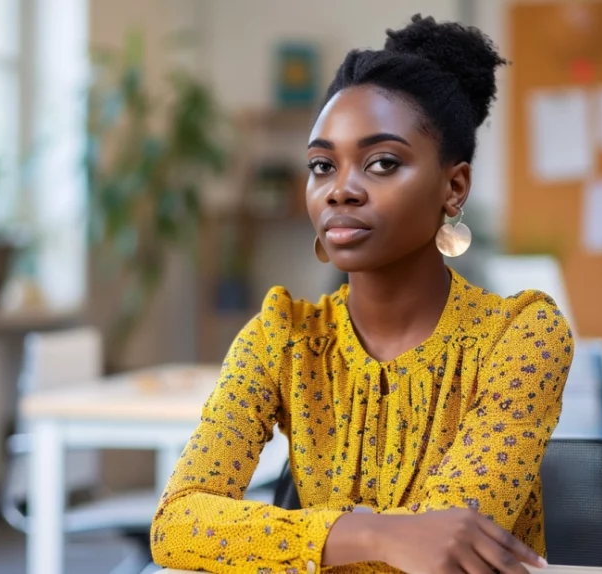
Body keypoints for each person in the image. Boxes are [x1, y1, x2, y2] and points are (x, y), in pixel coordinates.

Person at [151, 14, 573, 574]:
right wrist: (371, 532)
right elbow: (178, 522)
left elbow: (443, 552)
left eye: (382, 163)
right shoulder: (284, 337)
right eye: (321, 166)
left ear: (454, 187)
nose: (340, 190)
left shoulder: (520, 337)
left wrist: (299, 541)